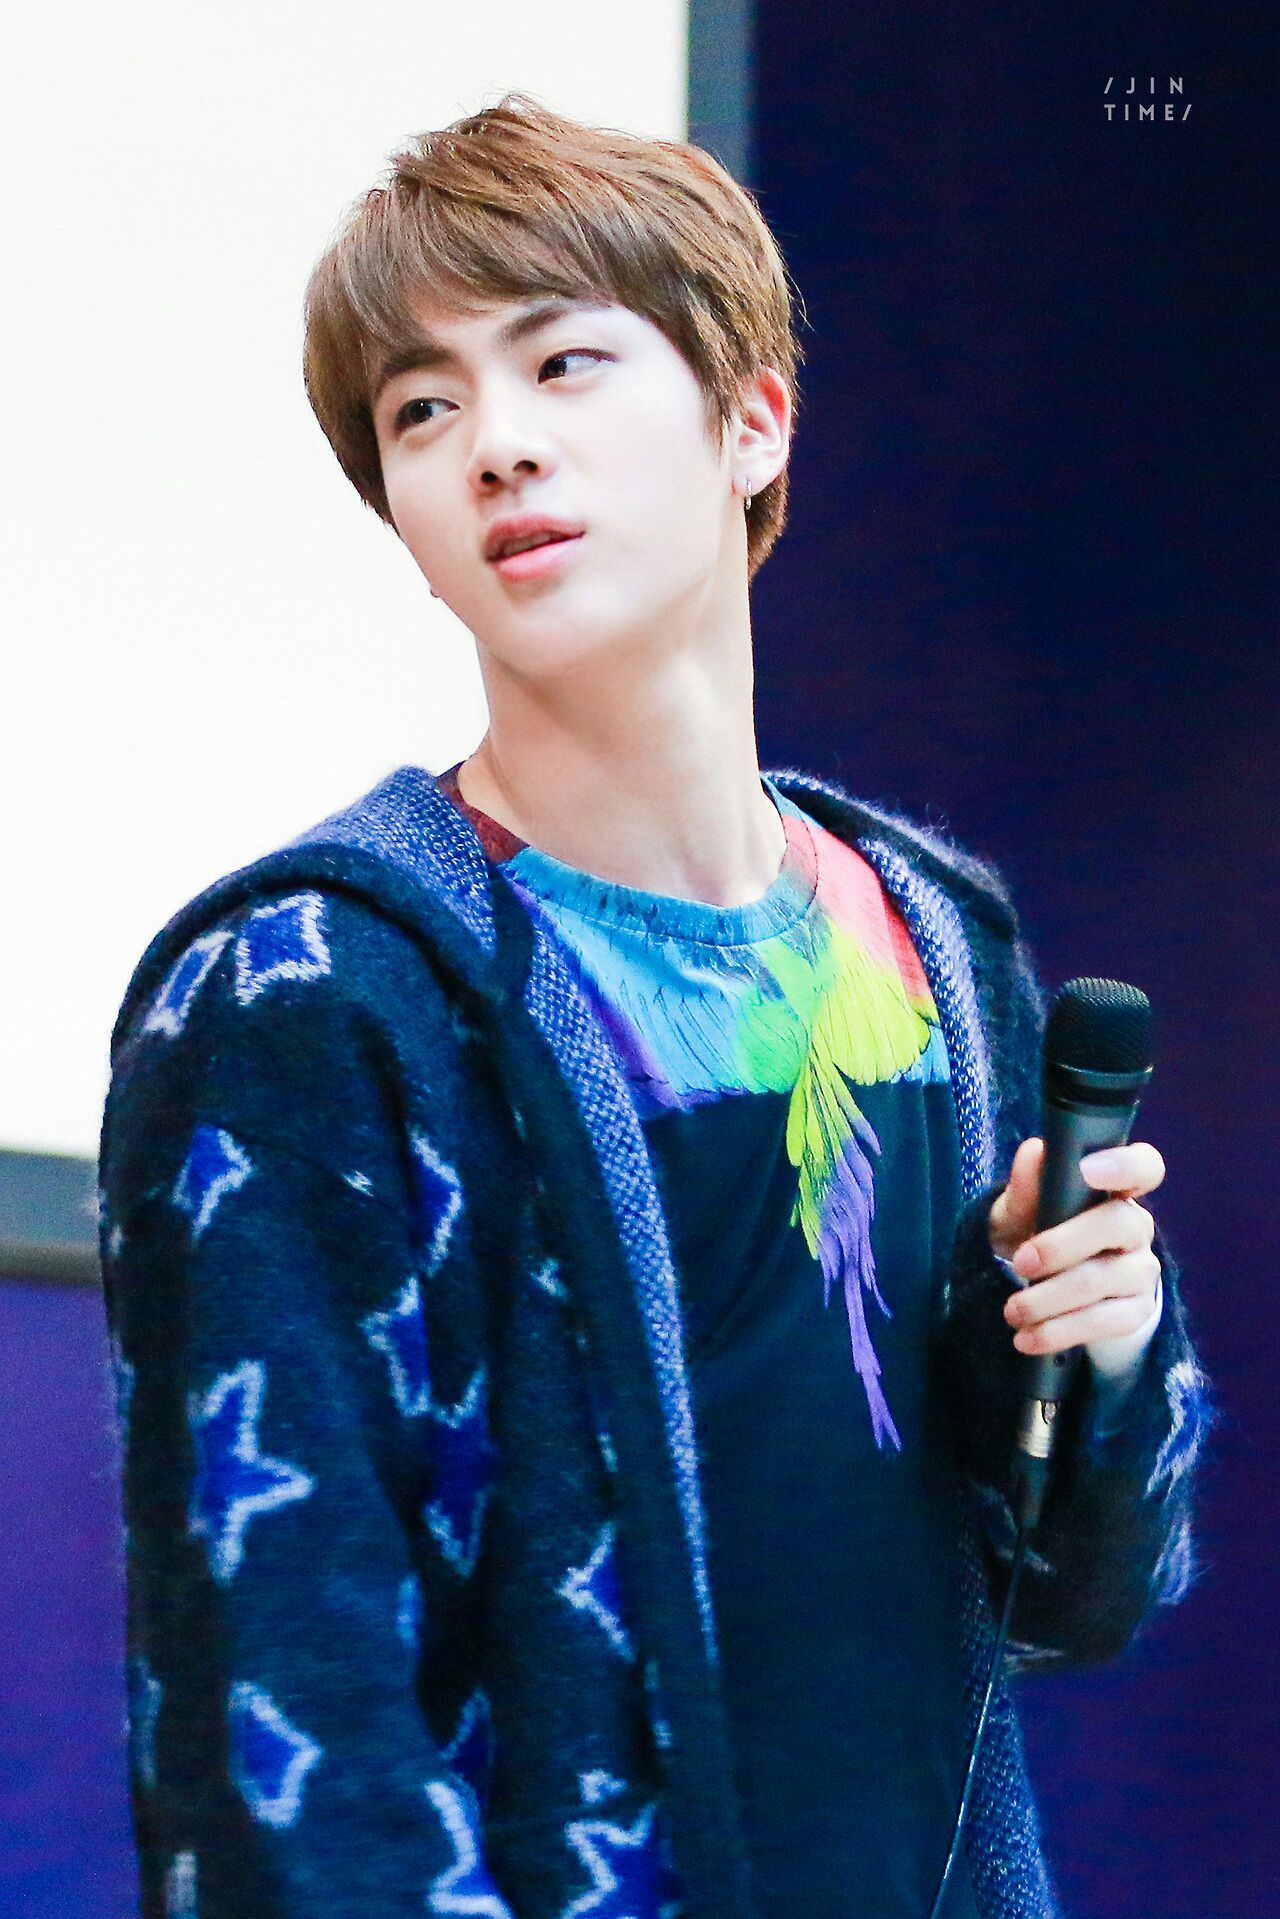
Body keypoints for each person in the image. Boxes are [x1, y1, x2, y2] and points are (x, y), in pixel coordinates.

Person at [97, 92, 1214, 1919]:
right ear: (399, 515)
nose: (497, 446)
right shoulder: (310, 991)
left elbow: (1071, 1597)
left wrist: (1099, 1354)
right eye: (422, 409)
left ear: (751, 418)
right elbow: (284, 1745)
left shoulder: (938, 940)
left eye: (563, 363)